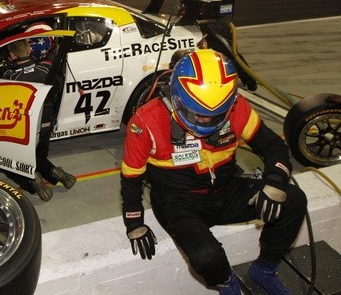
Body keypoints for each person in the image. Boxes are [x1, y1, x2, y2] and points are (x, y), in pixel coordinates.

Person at [120, 49, 307, 295]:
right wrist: (134, 222)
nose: (205, 122)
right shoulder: (145, 122)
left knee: (294, 200)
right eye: (197, 114)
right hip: (178, 201)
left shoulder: (238, 107)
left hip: (226, 189)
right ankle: (227, 284)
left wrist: (275, 180)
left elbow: (273, 145)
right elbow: (131, 177)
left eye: (215, 115)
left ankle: (264, 270)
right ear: (176, 97)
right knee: (207, 257)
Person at [2, 38, 77, 202]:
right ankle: (57, 173)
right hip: (46, 122)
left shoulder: (10, 76)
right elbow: (58, 86)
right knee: (40, 157)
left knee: (8, 163)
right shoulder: (46, 69)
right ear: (29, 51)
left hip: (25, 127)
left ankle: (32, 181)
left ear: (11, 56)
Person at [178, 0, 258, 92]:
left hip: (215, 25)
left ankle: (249, 80)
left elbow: (199, 8)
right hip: (200, 25)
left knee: (229, 53)